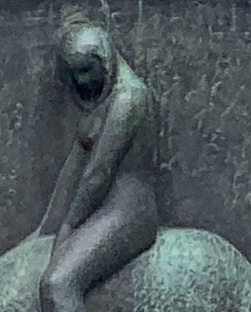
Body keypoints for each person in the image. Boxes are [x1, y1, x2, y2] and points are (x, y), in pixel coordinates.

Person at [32, 18, 163, 312]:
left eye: (86, 70)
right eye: (73, 73)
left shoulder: (129, 99)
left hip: (127, 211)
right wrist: (45, 229)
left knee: (58, 286)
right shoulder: (103, 99)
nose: (80, 81)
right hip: (101, 209)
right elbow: (73, 170)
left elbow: (98, 174)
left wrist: (68, 227)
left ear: (104, 59)